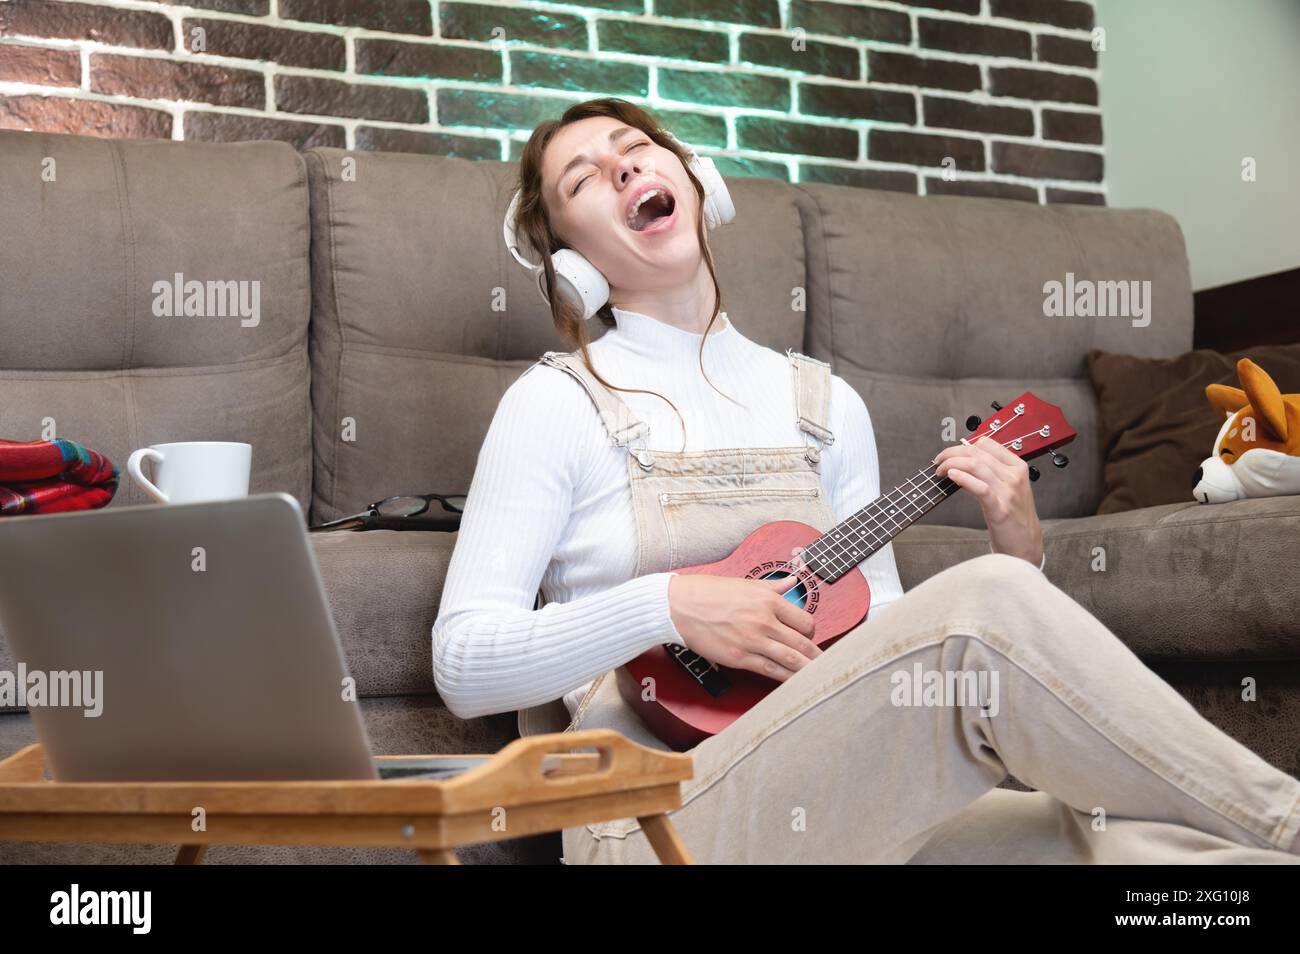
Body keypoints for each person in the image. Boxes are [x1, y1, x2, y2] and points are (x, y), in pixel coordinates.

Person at [432, 97, 1300, 865]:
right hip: (649, 817)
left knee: (1139, 843)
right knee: (987, 600)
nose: (622, 164)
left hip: (832, 782)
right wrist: (666, 605)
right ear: (571, 262)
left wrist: (1021, 553)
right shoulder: (554, 403)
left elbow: (889, 641)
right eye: (582, 178)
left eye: (635, 145)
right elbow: (463, 663)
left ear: (696, 180)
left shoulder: (827, 403)